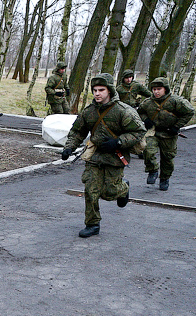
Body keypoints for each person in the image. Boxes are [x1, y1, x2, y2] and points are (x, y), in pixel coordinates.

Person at [60, 73, 146, 238]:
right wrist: (69, 148)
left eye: (101, 90)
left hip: (115, 156)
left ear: (110, 91)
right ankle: (92, 224)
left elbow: (139, 132)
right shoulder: (89, 112)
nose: (97, 93)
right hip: (94, 156)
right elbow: (78, 131)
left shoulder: (123, 111)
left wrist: (118, 142)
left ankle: (123, 188)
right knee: (91, 191)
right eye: (94, 90)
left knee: (109, 192)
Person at [137, 76, 195, 191]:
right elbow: (140, 112)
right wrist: (146, 120)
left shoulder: (176, 101)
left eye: (159, 89)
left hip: (169, 133)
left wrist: (177, 126)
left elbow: (189, 112)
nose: (156, 92)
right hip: (153, 132)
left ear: (165, 89)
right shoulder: (148, 102)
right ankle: (152, 170)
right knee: (147, 150)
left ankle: (164, 178)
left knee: (167, 158)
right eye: (154, 89)